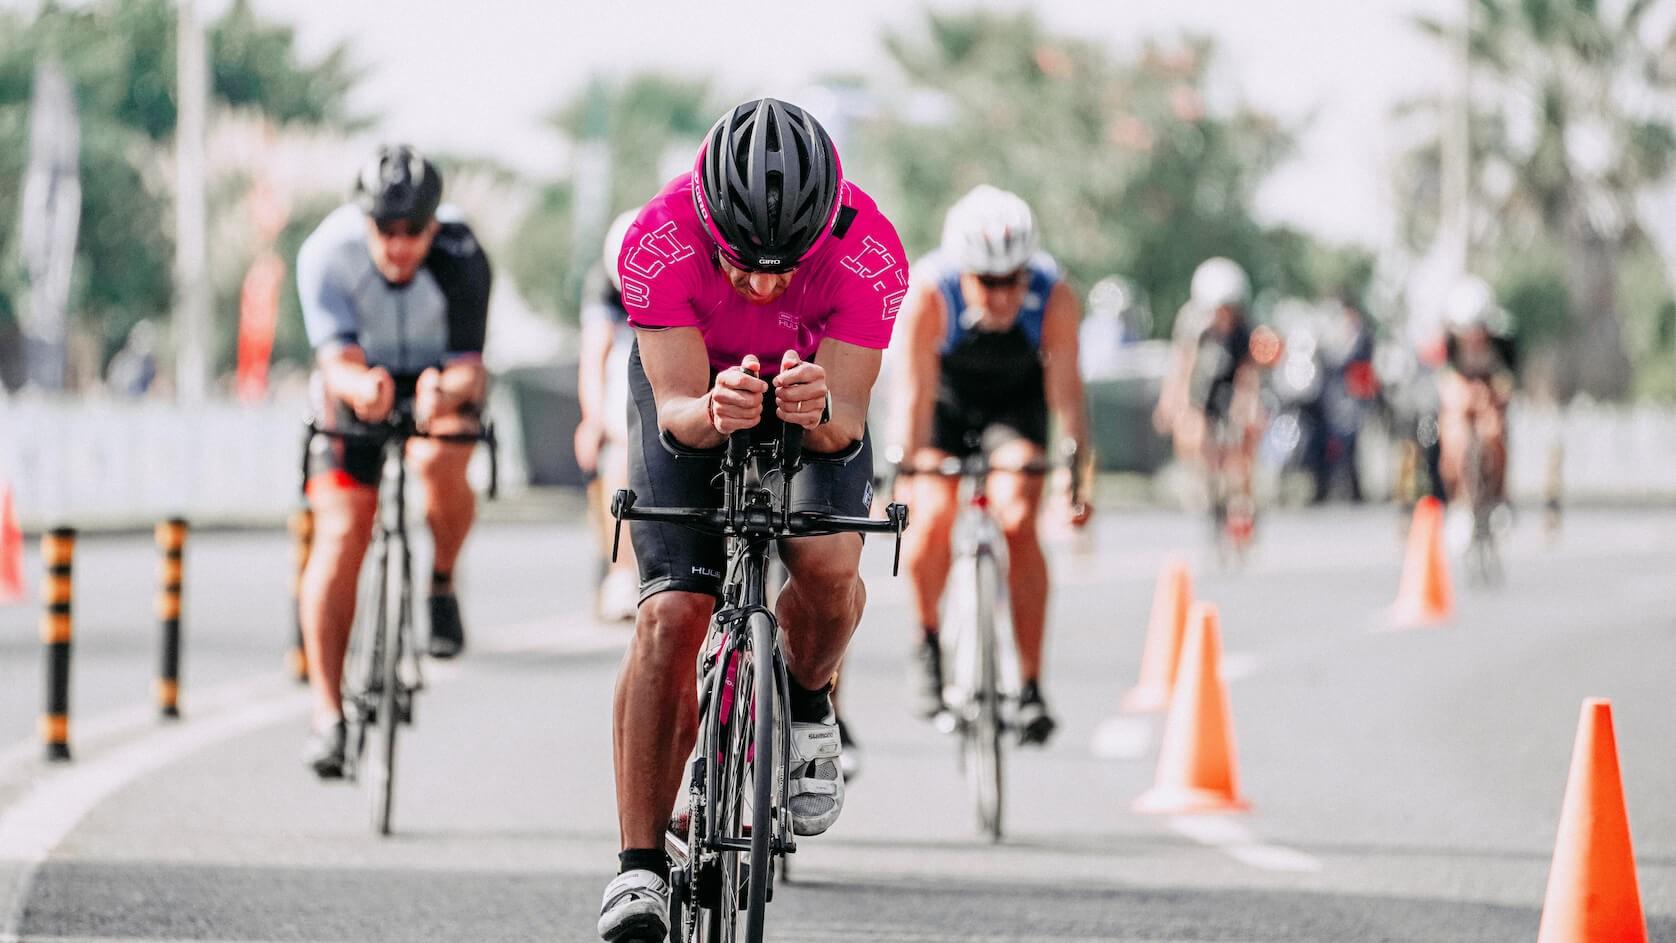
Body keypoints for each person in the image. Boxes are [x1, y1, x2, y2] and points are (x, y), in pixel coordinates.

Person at [597, 98, 906, 942]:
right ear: (707, 222)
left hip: (812, 399)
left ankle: (809, 704)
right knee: (669, 616)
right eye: (743, 265)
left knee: (829, 563)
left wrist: (819, 407)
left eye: (787, 267)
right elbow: (677, 416)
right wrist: (713, 405)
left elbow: (845, 419)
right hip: (701, 396)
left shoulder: (870, 252)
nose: (767, 284)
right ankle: (638, 870)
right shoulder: (657, 241)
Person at [294, 145, 490, 779]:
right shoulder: (327, 254)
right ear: (364, 220)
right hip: (358, 383)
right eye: (385, 230)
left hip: (438, 383)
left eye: (413, 232)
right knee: (343, 529)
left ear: (434, 225)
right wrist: (363, 392)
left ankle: (441, 582)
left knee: (443, 459)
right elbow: (333, 361)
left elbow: (471, 367)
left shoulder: (462, 255)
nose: (399, 246)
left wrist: (443, 391)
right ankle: (328, 715)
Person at [887, 184, 1092, 745]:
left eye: (1014, 280)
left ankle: (1028, 687)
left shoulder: (1055, 295)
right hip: (946, 407)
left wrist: (1074, 481)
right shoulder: (930, 292)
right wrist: (902, 477)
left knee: (1019, 516)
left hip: (1013, 408)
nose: (1004, 296)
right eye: (988, 282)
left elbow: (1068, 396)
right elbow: (913, 394)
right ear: (963, 272)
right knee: (930, 514)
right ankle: (927, 643)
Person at [1154, 257, 1263, 531]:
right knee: (1195, 432)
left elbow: (1248, 374)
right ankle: (1205, 481)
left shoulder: (1245, 330)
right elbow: (1182, 366)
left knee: (1245, 436)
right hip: (1202, 388)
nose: (1224, 317)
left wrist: (1246, 406)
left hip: (1230, 385)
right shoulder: (1193, 324)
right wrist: (1174, 404)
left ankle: (1242, 501)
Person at [576, 211, 640, 622]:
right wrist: (593, 420)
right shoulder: (603, 285)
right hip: (625, 377)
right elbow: (594, 354)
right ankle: (619, 570)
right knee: (618, 459)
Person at [1435, 275, 1516, 506]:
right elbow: (1445, 380)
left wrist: (1496, 394)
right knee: (1454, 437)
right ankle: (1457, 494)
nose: (1472, 337)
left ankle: (1498, 495)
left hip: (1488, 391)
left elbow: (1507, 380)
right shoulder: (1450, 343)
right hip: (1460, 391)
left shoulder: (1502, 343)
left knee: (1494, 432)